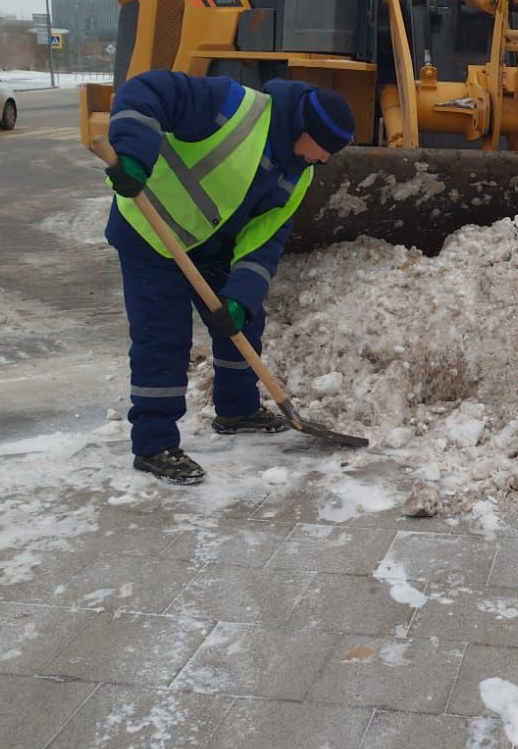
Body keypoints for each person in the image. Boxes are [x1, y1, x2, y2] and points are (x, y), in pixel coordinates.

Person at [103, 71, 356, 486]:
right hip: (150, 231)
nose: (326, 159)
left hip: (208, 246)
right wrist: (134, 153)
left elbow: (264, 243)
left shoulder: (299, 175)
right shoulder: (231, 105)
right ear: (305, 129)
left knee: (245, 319)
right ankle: (154, 445)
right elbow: (146, 90)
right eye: (325, 148)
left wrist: (240, 297)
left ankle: (237, 410)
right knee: (163, 337)